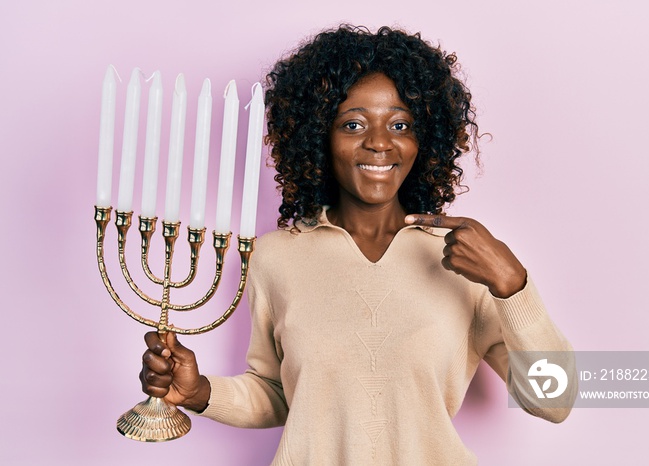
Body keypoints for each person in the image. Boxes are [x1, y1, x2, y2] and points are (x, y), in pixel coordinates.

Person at [141, 25, 574, 465]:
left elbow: (554, 401)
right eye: (353, 124)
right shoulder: (275, 256)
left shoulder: (467, 260)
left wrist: (512, 284)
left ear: (423, 139)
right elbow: (282, 392)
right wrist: (199, 393)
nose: (380, 142)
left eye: (400, 124)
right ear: (319, 137)